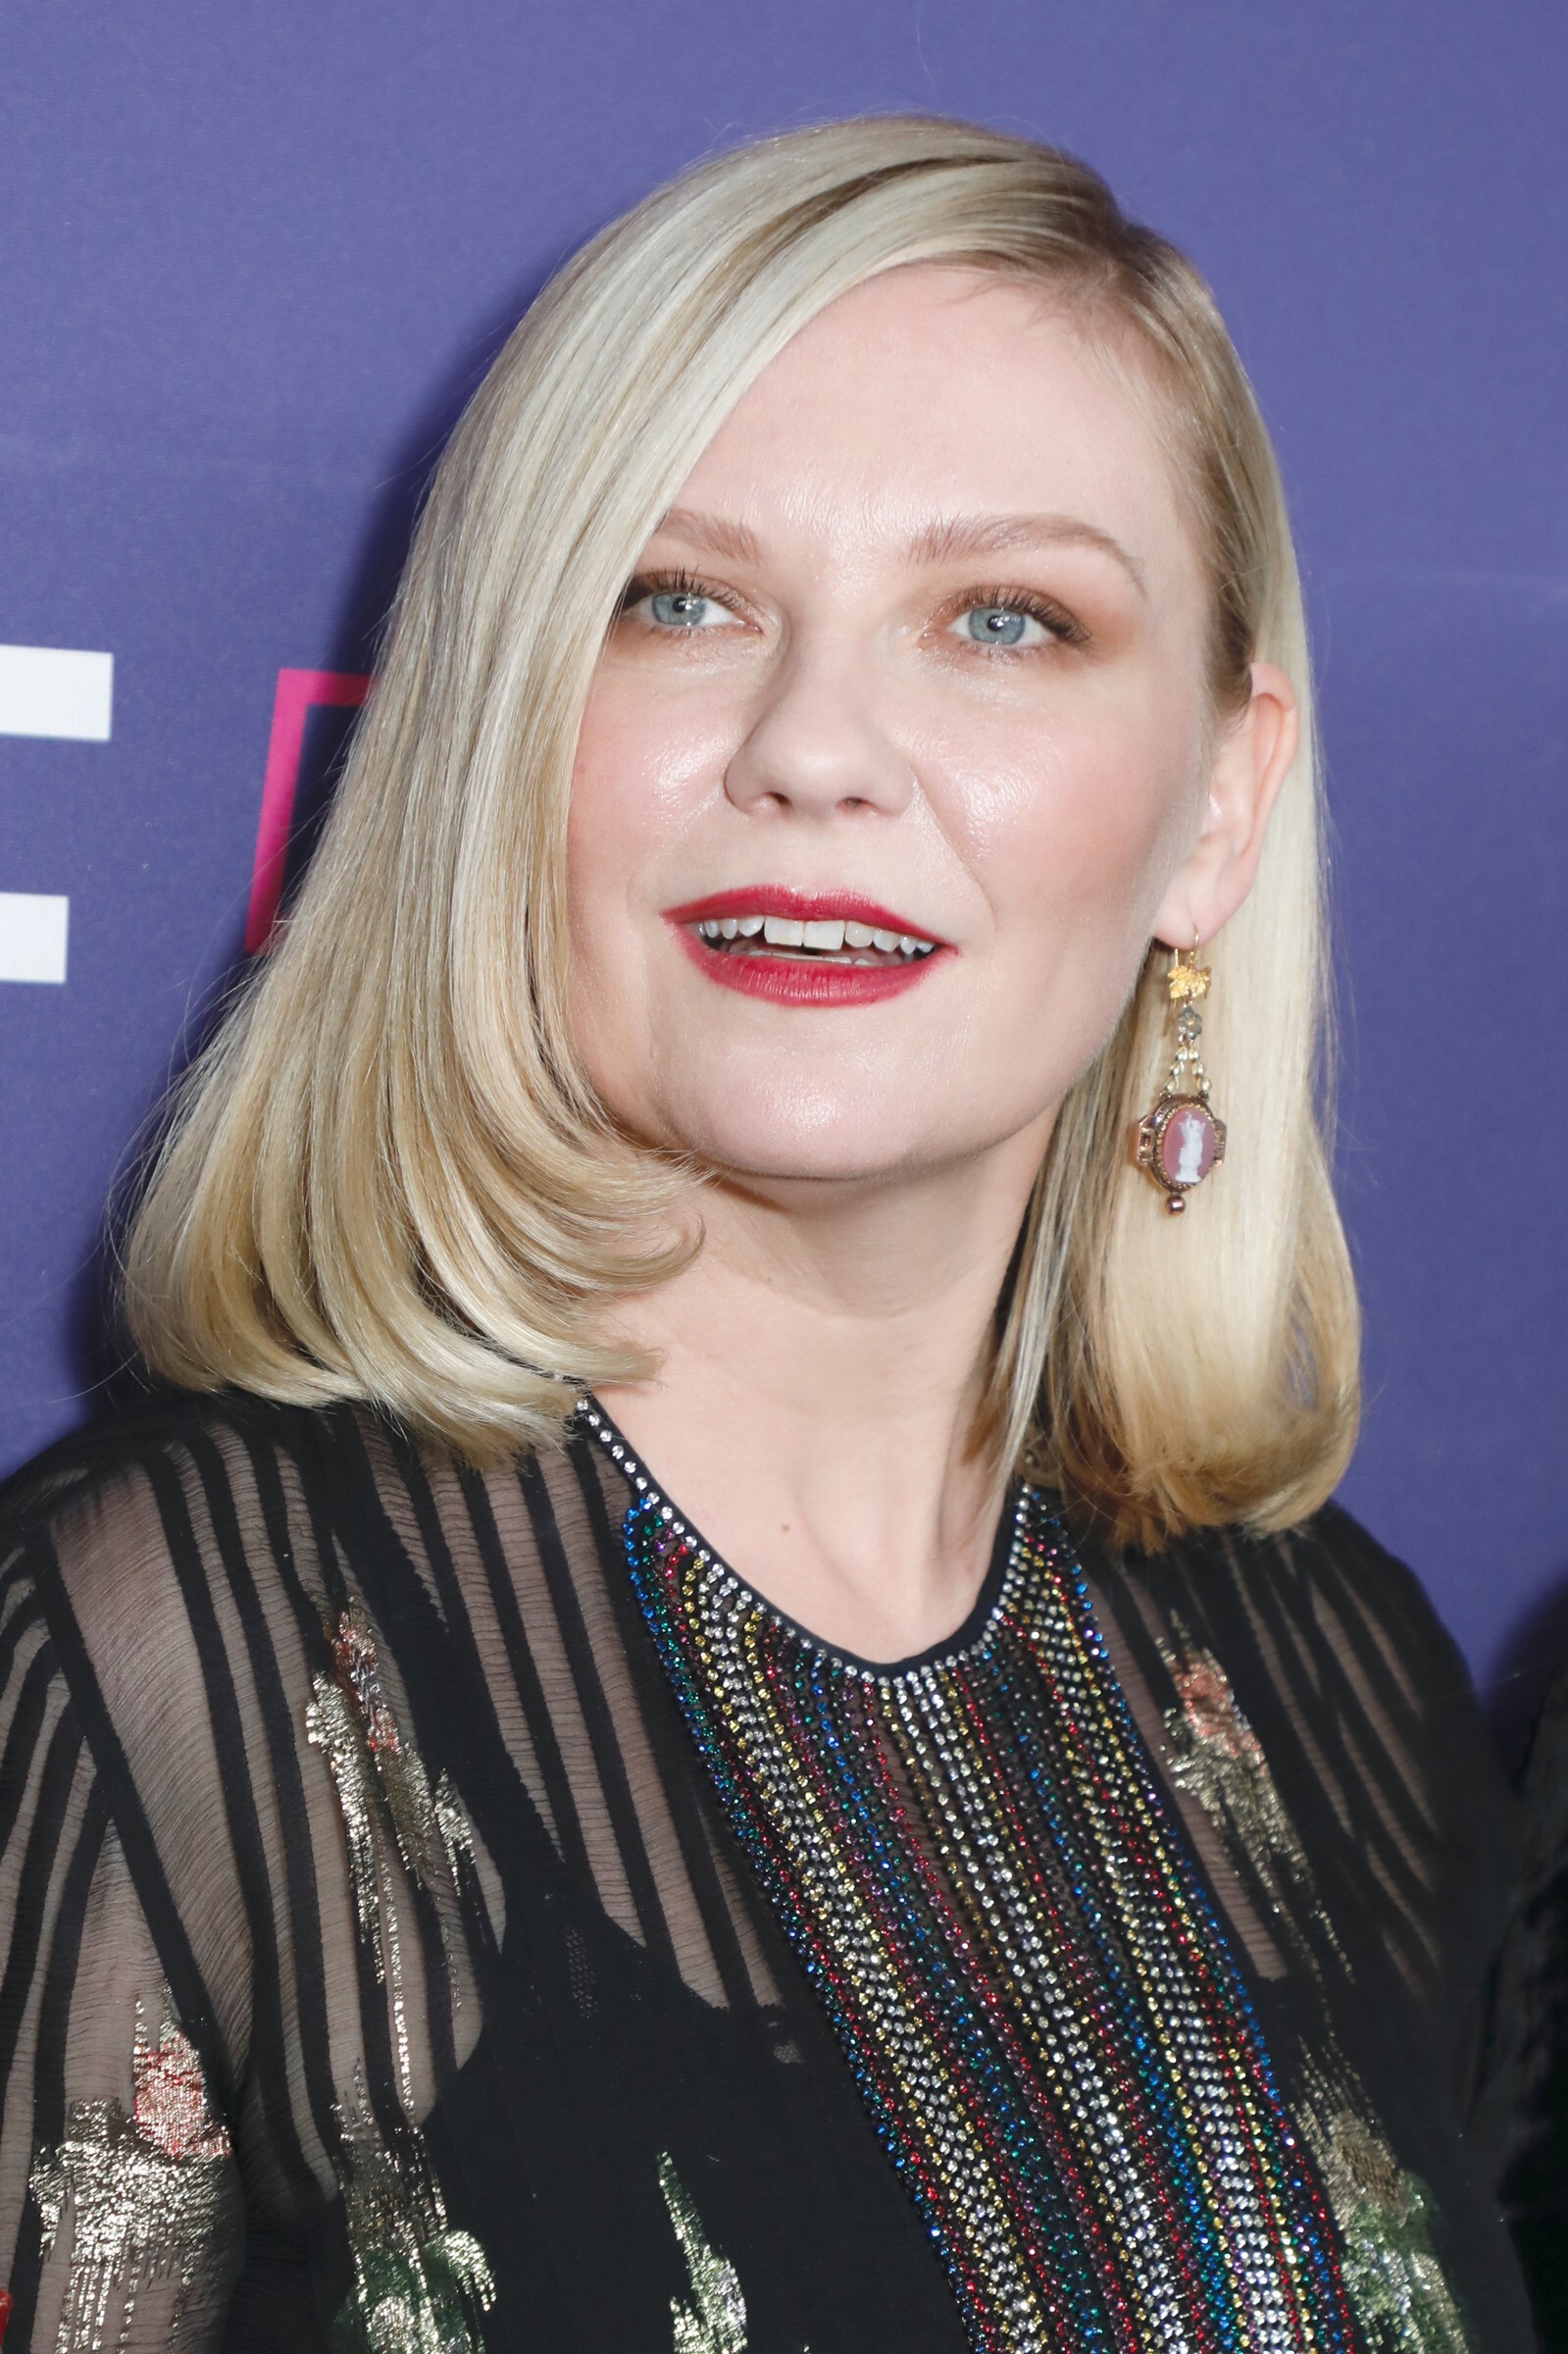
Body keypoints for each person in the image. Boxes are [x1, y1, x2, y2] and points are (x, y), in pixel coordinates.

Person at [0, 117, 1534, 2351]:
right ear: (503, 735)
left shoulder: (1347, 1687)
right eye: (678, 598)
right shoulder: (164, 1658)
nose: (815, 747)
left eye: (1003, 620)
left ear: (1215, 806)